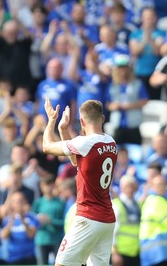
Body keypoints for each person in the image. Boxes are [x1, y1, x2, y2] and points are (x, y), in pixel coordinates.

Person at [43, 97, 118, 266]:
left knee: (62, 264)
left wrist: (52, 120)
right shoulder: (111, 142)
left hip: (88, 217)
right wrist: (63, 129)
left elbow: (47, 146)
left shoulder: (85, 143)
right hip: (107, 219)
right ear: (103, 119)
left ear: (82, 121)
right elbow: (76, 161)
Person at [105, 54, 149, 145]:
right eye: (120, 68)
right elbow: (107, 103)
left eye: (124, 67)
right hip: (117, 124)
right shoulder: (112, 85)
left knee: (136, 151)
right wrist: (113, 106)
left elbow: (145, 100)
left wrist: (130, 106)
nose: (122, 70)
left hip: (133, 125)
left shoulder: (137, 83)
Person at [139, 174, 167, 266]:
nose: (162, 187)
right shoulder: (156, 200)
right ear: (152, 186)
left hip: (157, 253)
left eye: (164, 184)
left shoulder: (157, 200)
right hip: (158, 253)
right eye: (159, 184)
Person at [31, 177, 65, 265]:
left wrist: (50, 221)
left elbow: (64, 222)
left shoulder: (60, 202)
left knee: (59, 263)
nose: (48, 187)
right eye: (46, 185)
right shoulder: (38, 202)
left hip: (56, 239)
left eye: (50, 184)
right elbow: (31, 220)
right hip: (41, 239)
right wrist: (39, 221)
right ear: (41, 187)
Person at [0, 191, 39, 265]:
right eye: (15, 201)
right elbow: (3, 236)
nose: (18, 204)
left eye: (20, 201)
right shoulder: (7, 219)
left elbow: (31, 234)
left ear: (25, 202)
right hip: (13, 258)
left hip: (29, 257)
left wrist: (22, 219)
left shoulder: (32, 217)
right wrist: (12, 220)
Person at [112, 174, 141, 266]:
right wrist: (115, 253)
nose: (130, 189)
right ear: (122, 187)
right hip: (121, 252)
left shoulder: (138, 205)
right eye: (127, 186)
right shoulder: (116, 205)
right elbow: (112, 230)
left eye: (132, 186)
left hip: (136, 252)